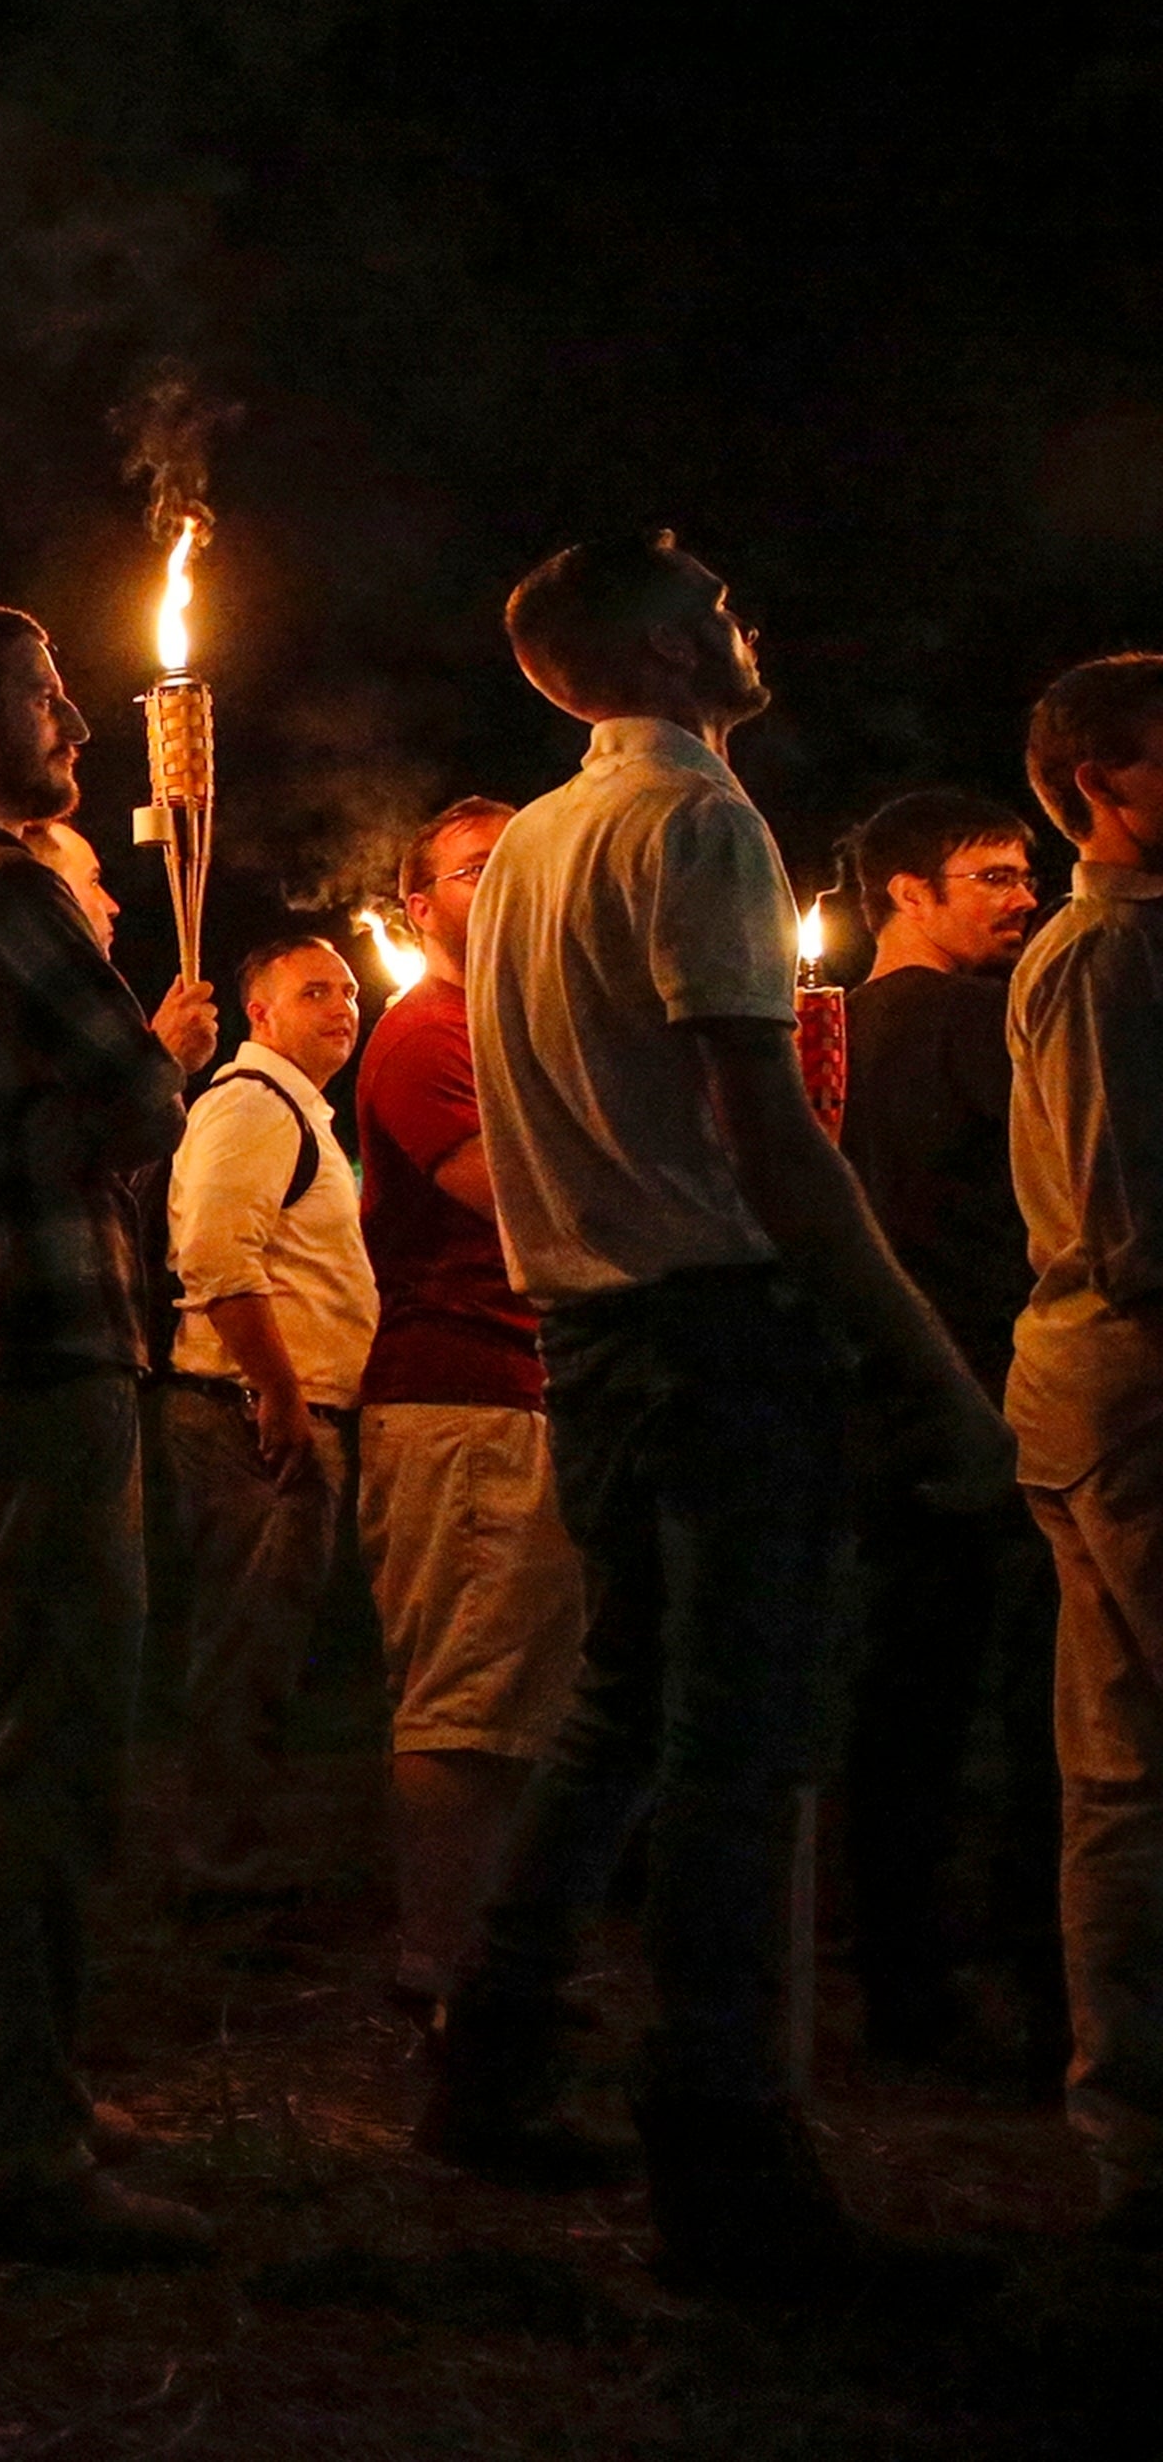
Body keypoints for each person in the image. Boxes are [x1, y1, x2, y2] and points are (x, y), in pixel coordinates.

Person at [421, 534, 1012, 2303]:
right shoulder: (696, 827)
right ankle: (728, 2166)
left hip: (589, 1327)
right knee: (741, 1749)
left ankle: (488, 2061)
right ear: (677, 649)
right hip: (710, 1322)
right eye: (725, 605)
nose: (750, 620)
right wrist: (921, 1364)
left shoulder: (530, 844)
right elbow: (764, 1123)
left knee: (621, 1711)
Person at [0, 605, 220, 2272]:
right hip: (42, 1349)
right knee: (31, 1753)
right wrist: (164, 1048)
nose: (75, 719)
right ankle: (0, 2141)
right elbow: (138, 1107)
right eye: (42, 695)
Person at [836, 785, 1058, 2076]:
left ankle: (898, 1970)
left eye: (1025, 873)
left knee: (899, 1694)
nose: (1022, 895)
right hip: (983, 1396)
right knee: (1016, 1699)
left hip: (877, 1397)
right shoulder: (984, 1023)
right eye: (991, 875)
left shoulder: (827, 1036)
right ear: (906, 895)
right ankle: (1021, 1971)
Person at [354, 798, 583, 2020]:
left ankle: (499, 1959)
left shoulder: (518, 1026)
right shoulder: (426, 1033)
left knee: (530, 1694)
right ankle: (442, 1960)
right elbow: (518, 1194)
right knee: (466, 1694)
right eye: (480, 869)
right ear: (418, 904)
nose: (508, 887)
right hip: (459, 1397)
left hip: (529, 1392)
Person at [1005, 654, 1163, 2242]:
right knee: (1126, 1763)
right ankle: (1133, 2127)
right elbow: (1136, 1226)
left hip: (1105, 1380)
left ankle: (1131, 2121)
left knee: (1128, 1762)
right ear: (1099, 785)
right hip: (1133, 1387)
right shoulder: (1112, 955)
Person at [158, 931, 375, 1901]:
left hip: (272, 1410)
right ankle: (219, 1868)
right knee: (245, 1647)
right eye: (314, 990)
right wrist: (280, 1393)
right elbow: (213, 1253)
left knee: (266, 1644)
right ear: (261, 1013)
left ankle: (234, 1852)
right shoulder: (252, 1103)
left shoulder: (299, 1113)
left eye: (350, 990)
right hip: (248, 1418)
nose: (342, 1006)